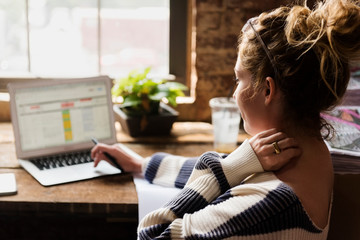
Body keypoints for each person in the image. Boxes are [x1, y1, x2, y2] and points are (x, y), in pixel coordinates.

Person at [91, 0, 360, 238]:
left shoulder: (268, 204)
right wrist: (142, 165)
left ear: (267, 90)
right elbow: (237, 169)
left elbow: (151, 234)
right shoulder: (313, 151)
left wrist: (228, 170)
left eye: (238, 79)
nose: (234, 94)